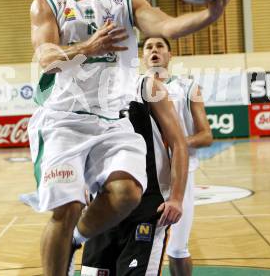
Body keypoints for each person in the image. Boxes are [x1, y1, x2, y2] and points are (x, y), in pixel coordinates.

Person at [28, 0, 231, 276]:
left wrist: (209, 15)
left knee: (127, 194)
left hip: (113, 121)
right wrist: (86, 48)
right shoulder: (48, 2)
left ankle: (77, 234)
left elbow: (168, 24)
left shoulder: (125, 3)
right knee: (67, 206)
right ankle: (69, 230)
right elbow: (46, 55)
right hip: (64, 120)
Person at [80, 75, 189, 275]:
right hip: (103, 206)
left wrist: (176, 198)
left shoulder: (146, 86)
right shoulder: (88, 92)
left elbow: (179, 143)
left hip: (146, 206)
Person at [142, 36, 213, 276]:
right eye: (148, 47)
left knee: (178, 247)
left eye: (160, 46)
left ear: (170, 55)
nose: (154, 50)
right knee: (140, 243)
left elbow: (206, 136)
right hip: (142, 175)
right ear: (142, 56)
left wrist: (175, 144)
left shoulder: (188, 87)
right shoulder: (132, 88)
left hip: (179, 175)